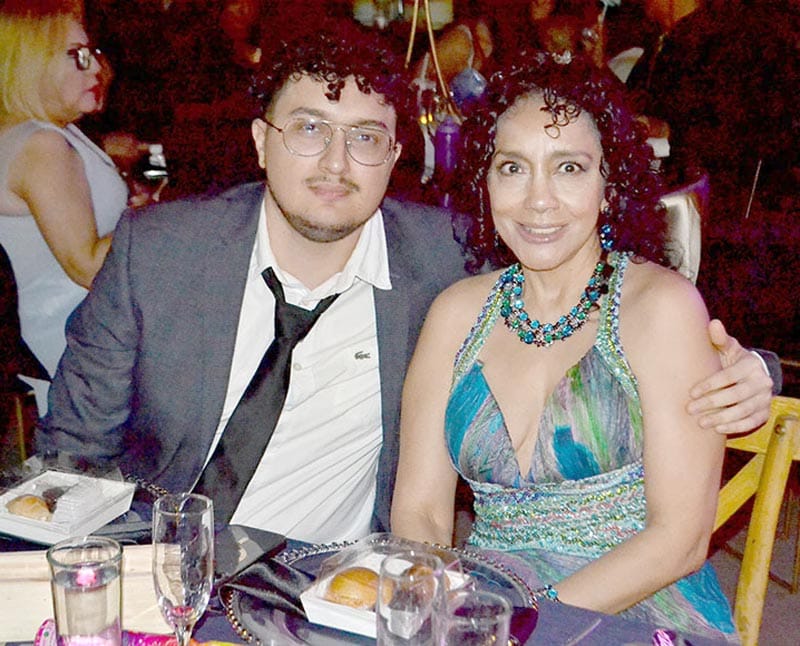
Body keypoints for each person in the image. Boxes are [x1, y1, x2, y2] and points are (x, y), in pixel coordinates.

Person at [40, 20, 774, 546]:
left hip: (332, 592)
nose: (336, 163)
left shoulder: (446, 263)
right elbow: (69, 454)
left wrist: (753, 370)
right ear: (262, 141)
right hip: (155, 564)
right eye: (309, 129)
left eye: (364, 137)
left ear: (395, 155)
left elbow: (600, 298)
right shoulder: (159, 254)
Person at [391, 53, 739, 641]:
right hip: (490, 605)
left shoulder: (660, 308)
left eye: (569, 168)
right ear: (485, 182)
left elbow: (679, 540)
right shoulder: (455, 313)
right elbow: (420, 512)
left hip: (639, 608)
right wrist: (437, 606)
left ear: (609, 187)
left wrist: (528, 623)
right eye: (513, 168)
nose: (539, 200)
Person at [0, 0, 129, 414]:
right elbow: (87, 266)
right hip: (75, 353)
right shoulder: (42, 145)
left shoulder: (45, 130)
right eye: (77, 56)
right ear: (31, 63)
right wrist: (167, 222)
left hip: (79, 340)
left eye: (92, 53)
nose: (96, 69)